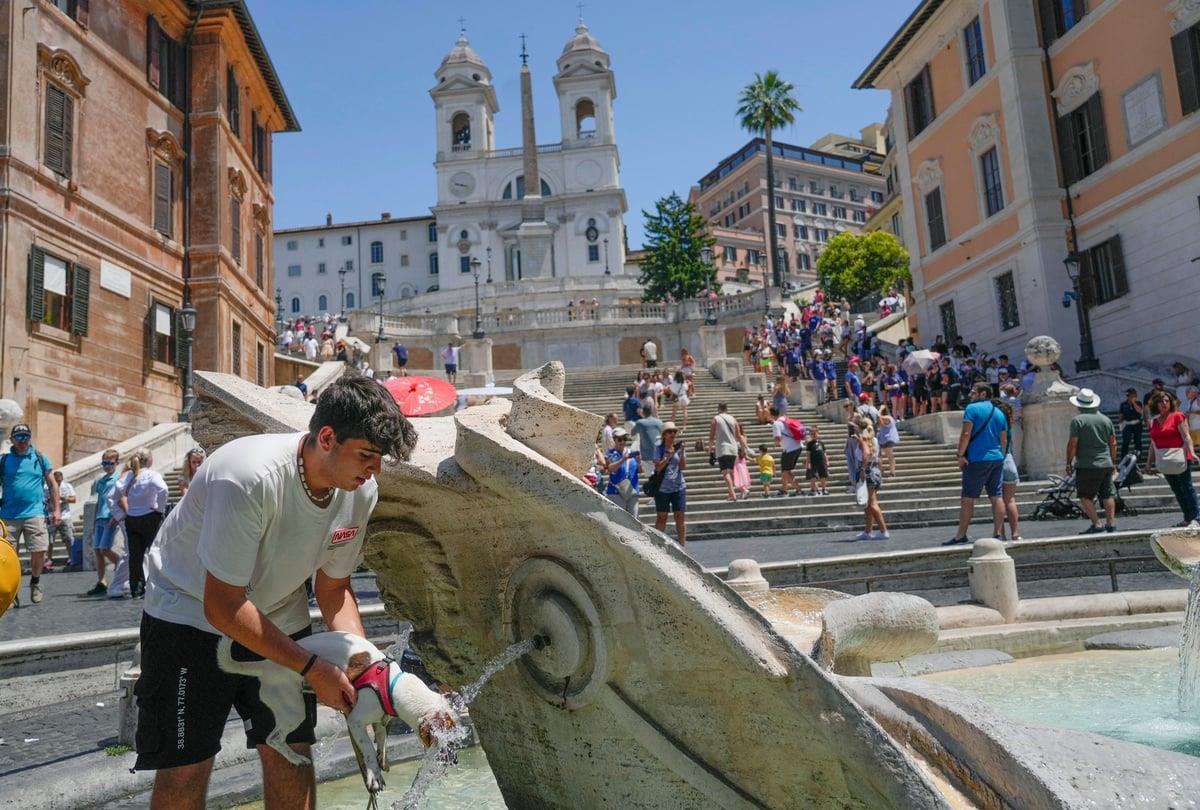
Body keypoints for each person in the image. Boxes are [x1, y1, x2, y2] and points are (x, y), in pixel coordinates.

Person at [132, 377, 432, 807]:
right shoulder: (247, 477)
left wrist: (367, 670)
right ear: (326, 438)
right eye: (366, 455)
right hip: (189, 614)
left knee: (291, 755)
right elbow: (223, 606)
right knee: (185, 768)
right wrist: (312, 668)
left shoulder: (360, 491)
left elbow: (334, 588)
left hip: (279, 613)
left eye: (380, 458)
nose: (375, 470)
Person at [0, 423, 59, 604]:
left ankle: (35, 582)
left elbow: (52, 485)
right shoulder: (4, 461)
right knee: (7, 556)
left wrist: (56, 509)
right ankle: (13, 590)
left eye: (25, 436)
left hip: (35, 513)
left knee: (39, 550)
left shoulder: (40, 458)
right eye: (18, 437)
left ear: (30, 438)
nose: (22, 440)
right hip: (8, 515)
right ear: (12, 439)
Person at [944, 383, 1008, 546]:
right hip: (996, 458)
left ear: (983, 394)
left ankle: (961, 535)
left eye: (973, 393)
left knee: (968, 498)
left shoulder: (972, 409)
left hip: (977, 458)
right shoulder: (999, 412)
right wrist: (1000, 455)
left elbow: (966, 434)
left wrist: (960, 455)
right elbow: (1003, 440)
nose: (970, 395)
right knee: (996, 496)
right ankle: (998, 534)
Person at [111, 448, 168, 599]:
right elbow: (163, 489)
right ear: (149, 460)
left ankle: (137, 589)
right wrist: (159, 508)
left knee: (135, 557)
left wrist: (120, 515)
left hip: (132, 519)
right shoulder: (152, 475)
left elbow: (112, 497)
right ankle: (160, 585)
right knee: (156, 552)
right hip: (150, 517)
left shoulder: (129, 476)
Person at [1066, 388, 1118, 534]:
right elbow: (1113, 443)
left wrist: (1068, 462)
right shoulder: (1106, 420)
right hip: (1105, 462)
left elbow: (1073, 444)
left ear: (1079, 405)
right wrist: (1113, 461)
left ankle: (1097, 524)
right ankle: (1111, 524)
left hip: (1087, 464)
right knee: (1108, 494)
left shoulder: (1077, 421)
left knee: (1084, 496)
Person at [1147, 390, 1200, 527]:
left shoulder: (1177, 416)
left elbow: (1186, 436)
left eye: (1167, 401)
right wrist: (1148, 463)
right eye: (1161, 401)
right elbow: (1153, 444)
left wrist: (1192, 452)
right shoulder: (1154, 421)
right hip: (1164, 459)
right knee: (1176, 489)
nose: (1164, 403)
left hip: (1180, 456)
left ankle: (1197, 517)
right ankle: (1187, 517)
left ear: (1171, 403)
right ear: (1156, 404)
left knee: (1186, 487)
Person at [85, 450, 123, 596]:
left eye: (110, 463)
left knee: (104, 549)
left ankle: (122, 566)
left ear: (117, 463)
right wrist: (95, 520)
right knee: (97, 550)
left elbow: (121, 498)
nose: (107, 466)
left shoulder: (119, 478)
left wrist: (116, 515)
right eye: (104, 463)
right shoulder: (100, 481)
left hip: (110, 517)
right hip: (100, 517)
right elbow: (98, 501)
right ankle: (102, 582)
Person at [854, 419, 889, 541]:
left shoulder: (863, 439)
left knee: (872, 503)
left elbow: (866, 454)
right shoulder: (874, 439)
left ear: (859, 428)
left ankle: (883, 530)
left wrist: (863, 470)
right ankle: (867, 531)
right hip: (874, 470)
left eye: (856, 426)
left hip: (867, 471)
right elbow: (879, 457)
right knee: (868, 503)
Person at [653, 423, 687, 545]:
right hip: (662, 487)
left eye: (674, 431)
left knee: (680, 516)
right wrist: (668, 457)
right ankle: (657, 545)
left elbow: (682, 467)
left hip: (679, 486)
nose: (672, 434)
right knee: (662, 517)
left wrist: (682, 452)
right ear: (664, 435)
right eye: (669, 431)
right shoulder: (659, 448)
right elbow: (658, 468)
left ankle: (682, 545)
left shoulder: (678, 448)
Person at [994, 399, 1022, 542]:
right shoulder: (1008, 424)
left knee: (997, 500)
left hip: (998, 460)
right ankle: (1016, 533)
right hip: (1010, 461)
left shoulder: (996, 424)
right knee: (1010, 500)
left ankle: (1001, 534)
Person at [708, 403, 746, 502]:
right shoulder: (733, 419)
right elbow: (739, 435)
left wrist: (710, 449)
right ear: (726, 409)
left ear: (718, 409)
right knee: (731, 471)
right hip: (733, 448)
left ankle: (733, 494)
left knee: (725, 472)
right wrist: (743, 449)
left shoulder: (716, 419)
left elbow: (711, 436)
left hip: (722, 448)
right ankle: (733, 493)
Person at [770, 406, 805, 497]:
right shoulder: (785, 419)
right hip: (797, 446)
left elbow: (778, 438)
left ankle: (799, 490)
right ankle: (784, 489)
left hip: (790, 449)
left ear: (771, 415)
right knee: (784, 470)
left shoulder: (776, 423)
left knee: (786, 471)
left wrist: (776, 444)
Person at [603, 432, 639, 517]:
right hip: (616, 492)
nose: (622, 442)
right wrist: (623, 460)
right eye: (620, 439)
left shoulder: (631, 452)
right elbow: (610, 468)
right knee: (619, 520)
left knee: (634, 520)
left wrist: (639, 462)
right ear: (614, 440)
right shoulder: (611, 453)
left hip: (631, 490)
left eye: (624, 439)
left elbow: (640, 470)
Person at [47, 471, 78, 570]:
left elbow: (73, 499)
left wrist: (62, 498)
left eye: (59, 480)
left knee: (68, 538)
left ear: (62, 478)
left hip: (65, 516)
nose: (58, 482)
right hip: (50, 516)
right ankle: (48, 559)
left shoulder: (67, 486)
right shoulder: (46, 487)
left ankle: (71, 558)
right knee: (49, 540)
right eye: (56, 480)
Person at [805, 427, 829, 496]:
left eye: (815, 434)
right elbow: (808, 454)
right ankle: (813, 490)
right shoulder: (809, 444)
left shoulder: (821, 443)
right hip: (813, 462)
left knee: (823, 476)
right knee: (813, 476)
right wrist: (808, 463)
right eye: (811, 434)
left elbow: (824, 452)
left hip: (821, 461)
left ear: (818, 434)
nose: (813, 435)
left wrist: (827, 460)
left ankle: (824, 489)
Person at [877, 406, 900, 477]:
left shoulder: (887, 418)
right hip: (884, 439)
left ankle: (892, 472)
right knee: (881, 456)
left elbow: (878, 416)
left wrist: (880, 409)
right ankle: (884, 471)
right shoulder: (888, 418)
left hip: (887, 439)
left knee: (890, 456)